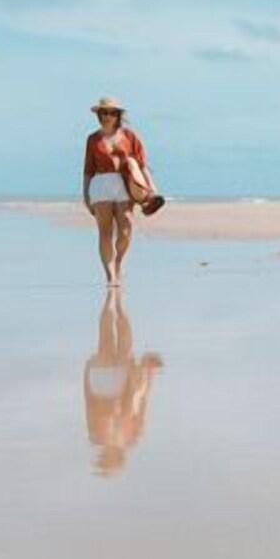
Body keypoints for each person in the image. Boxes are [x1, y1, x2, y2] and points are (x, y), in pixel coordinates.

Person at [82, 96, 164, 286]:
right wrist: (85, 195)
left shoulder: (130, 137)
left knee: (125, 229)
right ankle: (110, 275)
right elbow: (87, 170)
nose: (107, 116)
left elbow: (142, 166)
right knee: (105, 231)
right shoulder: (93, 139)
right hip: (101, 184)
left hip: (125, 184)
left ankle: (118, 262)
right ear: (99, 115)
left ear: (118, 115)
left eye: (111, 113)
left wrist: (152, 189)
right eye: (104, 113)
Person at [82, 291, 162, 477]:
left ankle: (117, 303)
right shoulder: (97, 436)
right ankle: (113, 302)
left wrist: (146, 377)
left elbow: (139, 400)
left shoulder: (130, 437)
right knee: (105, 338)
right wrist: (87, 373)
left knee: (125, 345)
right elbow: (89, 402)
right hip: (100, 381)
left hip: (114, 383)